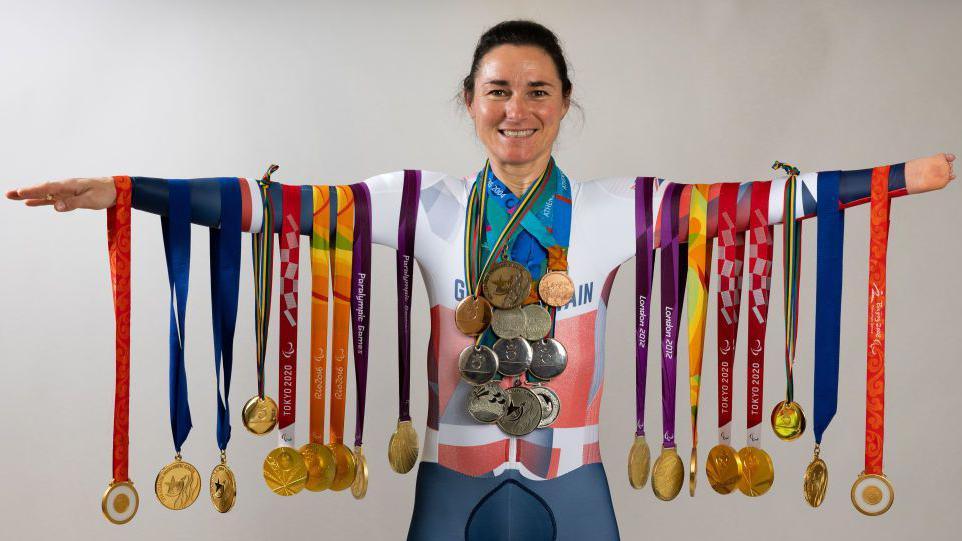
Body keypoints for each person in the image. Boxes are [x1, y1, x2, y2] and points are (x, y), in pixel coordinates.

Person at [5, 19, 956, 541]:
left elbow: (752, 205)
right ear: (470, 102)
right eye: (498, 88)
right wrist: (130, 193)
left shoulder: (619, 208)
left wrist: (888, 184)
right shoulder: (418, 201)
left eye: (538, 89)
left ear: (565, 103)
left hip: (575, 482)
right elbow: (272, 210)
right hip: (451, 492)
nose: (517, 107)